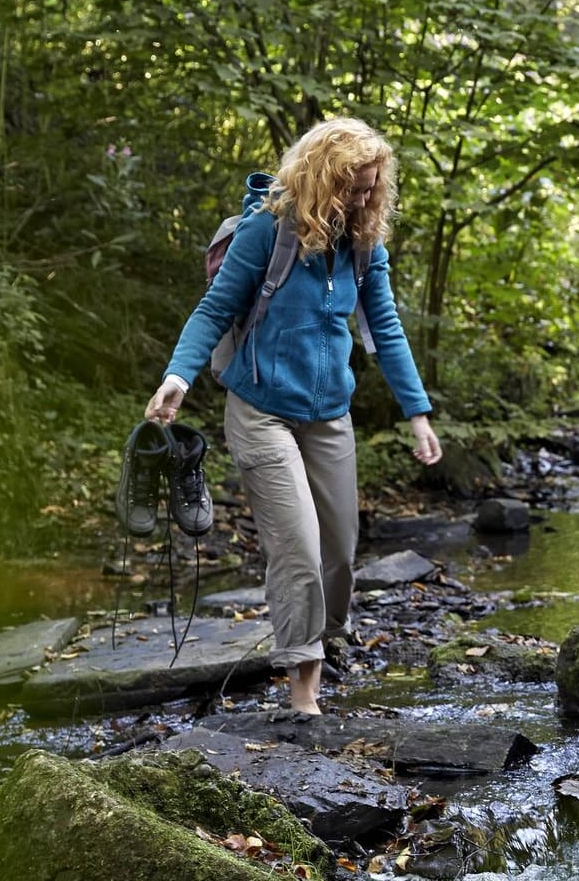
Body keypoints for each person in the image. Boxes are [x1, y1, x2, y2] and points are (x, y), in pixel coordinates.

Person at [144, 117, 442, 715]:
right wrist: (177, 376)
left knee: (339, 551)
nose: (363, 198)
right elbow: (215, 309)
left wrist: (418, 413)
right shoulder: (265, 232)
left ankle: (324, 638)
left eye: (371, 188)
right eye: (353, 187)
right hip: (261, 410)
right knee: (298, 549)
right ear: (320, 179)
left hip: (330, 412)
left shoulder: (363, 245)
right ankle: (303, 686)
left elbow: (385, 327)